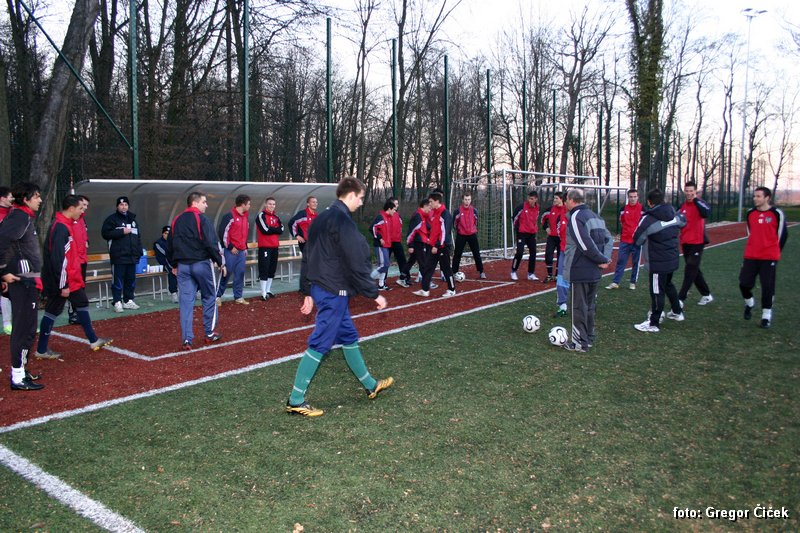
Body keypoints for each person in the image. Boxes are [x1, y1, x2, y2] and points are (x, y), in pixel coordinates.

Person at [285, 177, 394, 417]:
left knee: (348, 336)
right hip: (334, 291)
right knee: (320, 342)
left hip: (324, 289)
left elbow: (307, 256)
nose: (361, 202)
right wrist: (373, 293)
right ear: (352, 195)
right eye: (361, 197)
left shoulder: (320, 219)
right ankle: (295, 399)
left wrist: (307, 291)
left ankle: (370, 385)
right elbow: (356, 260)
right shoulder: (342, 221)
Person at [36, 195, 113, 359]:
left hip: (71, 277)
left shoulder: (65, 225)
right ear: (71, 208)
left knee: (81, 303)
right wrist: (63, 285)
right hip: (63, 280)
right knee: (52, 310)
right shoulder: (61, 228)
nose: (82, 212)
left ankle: (93, 340)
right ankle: (41, 349)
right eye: (80, 208)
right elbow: (59, 259)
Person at [167, 192, 226, 350]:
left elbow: (170, 244)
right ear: (195, 202)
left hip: (183, 266)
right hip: (200, 264)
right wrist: (220, 262)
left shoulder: (176, 220)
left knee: (186, 303)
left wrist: (174, 264)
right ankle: (209, 333)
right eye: (204, 202)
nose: (206, 205)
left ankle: (187, 339)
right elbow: (210, 242)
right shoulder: (202, 219)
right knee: (210, 296)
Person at [0, 182, 44, 390]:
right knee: (22, 329)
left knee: (28, 328)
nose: (40, 199)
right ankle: (17, 376)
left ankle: (21, 371)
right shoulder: (18, 217)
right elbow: (2, 241)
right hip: (21, 280)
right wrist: (3, 272)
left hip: (28, 278)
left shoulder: (24, 217)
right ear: (25, 199)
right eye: (36, 196)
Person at [561, 188, 612, 352]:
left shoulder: (576, 217)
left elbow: (584, 244)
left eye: (565, 200)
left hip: (581, 268)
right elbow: (608, 239)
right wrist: (604, 259)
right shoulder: (595, 216)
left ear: (570, 199)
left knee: (579, 306)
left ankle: (579, 343)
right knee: (590, 305)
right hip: (594, 270)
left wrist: (601, 259)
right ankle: (588, 338)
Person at [632, 188, 687, 333]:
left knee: (657, 291)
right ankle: (677, 312)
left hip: (657, 261)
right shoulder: (674, 214)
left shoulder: (648, 218)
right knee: (668, 285)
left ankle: (653, 323)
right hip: (672, 258)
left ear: (649, 203)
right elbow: (683, 221)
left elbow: (637, 239)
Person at [739, 187, 788, 329]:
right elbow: (751, 233)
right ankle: (749, 303)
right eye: (755, 196)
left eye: (758, 196)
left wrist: (774, 252)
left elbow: (783, 235)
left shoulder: (776, 214)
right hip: (751, 255)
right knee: (744, 284)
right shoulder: (750, 213)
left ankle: (766, 316)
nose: (755, 198)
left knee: (767, 286)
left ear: (767, 198)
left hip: (769, 257)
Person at [101, 196, 143, 313]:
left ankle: (128, 300)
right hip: (119, 256)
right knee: (118, 280)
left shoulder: (133, 220)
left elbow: (137, 237)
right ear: (117, 206)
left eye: (125, 204)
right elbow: (105, 233)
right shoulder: (112, 219)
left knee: (130, 280)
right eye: (121, 204)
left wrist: (139, 252)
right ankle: (117, 301)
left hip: (132, 256)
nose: (123, 206)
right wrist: (121, 232)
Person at [676, 181, 713, 306]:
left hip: (698, 241)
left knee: (690, 268)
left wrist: (696, 201)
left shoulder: (700, 203)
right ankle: (706, 294)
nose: (689, 193)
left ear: (695, 191)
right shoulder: (682, 206)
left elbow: (706, 212)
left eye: (691, 191)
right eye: (687, 191)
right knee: (694, 270)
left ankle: (681, 298)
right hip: (686, 241)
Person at [216, 194, 251, 305]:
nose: (250, 206)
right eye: (249, 204)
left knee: (240, 273)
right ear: (242, 204)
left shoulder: (245, 217)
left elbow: (245, 234)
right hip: (230, 251)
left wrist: (245, 247)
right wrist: (230, 247)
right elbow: (222, 233)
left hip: (241, 251)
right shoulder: (229, 216)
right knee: (226, 273)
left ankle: (238, 297)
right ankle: (217, 296)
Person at [606, 189, 643, 290]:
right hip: (625, 240)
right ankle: (615, 282)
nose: (632, 199)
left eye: (634, 197)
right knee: (621, 261)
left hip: (637, 241)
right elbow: (622, 221)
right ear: (628, 197)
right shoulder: (623, 209)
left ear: (637, 197)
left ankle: (633, 282)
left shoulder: (643, 209)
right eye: (630, 197)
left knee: (635, 262)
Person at [424, 192, 456, 297]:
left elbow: (444, 232)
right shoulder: (435, 213)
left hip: (442, 246)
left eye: (431, 202)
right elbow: (435, 230)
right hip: (434, 245)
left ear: (437, 201)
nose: (430, 204)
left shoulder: (444, 214)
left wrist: (437, 245)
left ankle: (452, 289)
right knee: (428, 266)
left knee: (446, 268)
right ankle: (425, 289)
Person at [67, 195, 91, 323]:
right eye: (82, 206)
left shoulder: (82, 220)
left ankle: (80, 312)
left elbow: (83, 236)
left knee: (81, 286)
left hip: (82, 259)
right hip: (74, 260)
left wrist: (86, 241)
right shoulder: (70, 220)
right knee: (73, 287)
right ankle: (73, 312)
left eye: (86, 206)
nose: (84, 209)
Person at [255, 196, 284, 300]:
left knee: (272, 269)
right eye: (270, 204)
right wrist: (275, 229)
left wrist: (273, 229)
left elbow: (281, 229)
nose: (272, 206)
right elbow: (265, 230)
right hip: (265, 247)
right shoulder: (261, 216)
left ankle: (268, 290)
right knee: (264, 268)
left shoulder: (276, 217)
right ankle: (263, 292)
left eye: (273, 204)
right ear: (265, 204)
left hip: (274, 247)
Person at [452, 192, 486, 279]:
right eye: (465, 200)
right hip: (461, 235)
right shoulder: (457, 211)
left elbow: (476, 222)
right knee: (457, 254)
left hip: (472, 235)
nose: (467, 201)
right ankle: (454, 272)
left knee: (476, 253)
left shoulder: (474, 211)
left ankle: (481, 271)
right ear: (462, 200)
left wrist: (472, 230)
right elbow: (454, 224)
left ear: (471, 200)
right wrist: (460, 230)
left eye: (469, 200)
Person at [511, 190, 540, 281]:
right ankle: (513, 271)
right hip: (522, 233)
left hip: (531, 233)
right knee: (519, 252)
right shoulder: (521, 207)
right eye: (530, 199)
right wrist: (517, 229)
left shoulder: (537, 208)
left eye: (533, 199)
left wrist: (534, 228)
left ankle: (530, 273)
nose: (531, 201)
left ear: (536, 199)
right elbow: (514, 218)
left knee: (533, 252)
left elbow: (535, 219)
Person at [541, 192, 567, 283]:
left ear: (561, 199)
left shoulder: (566, 210)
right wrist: (546, 228)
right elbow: (543, 219)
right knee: (548, 255)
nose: (554, 200)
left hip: (562, 238)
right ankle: (549, 275)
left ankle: (557, 275)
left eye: (556, 198)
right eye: (554, 198)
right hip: (552, 237)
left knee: (561, 256)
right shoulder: (550, 209)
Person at [407, 199, 432, 293]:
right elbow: (412, 231)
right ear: (424, 206)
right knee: (424, 263)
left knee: (415, 261)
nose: (430, 209)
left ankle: (402, 276)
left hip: (422, 242)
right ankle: (427, 283)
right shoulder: (417, 215)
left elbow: (424, 229)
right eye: (429, 207)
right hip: (417, 243)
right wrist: (410, 245)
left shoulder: (423, 216)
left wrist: (428, 238)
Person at [371, 200, 397, 291]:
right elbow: (373, 228)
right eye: (394, 209)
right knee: (383, 265)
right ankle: (368, 280)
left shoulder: (388, 218)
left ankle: (381, 285)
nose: (395, 211)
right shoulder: (380, 217)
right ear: (389, 209)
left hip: (386, 245)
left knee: (385, 265)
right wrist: (380, 238)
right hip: (380, 245)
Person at [0, 186, 14, 335]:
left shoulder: (13, 213)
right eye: (10, 196)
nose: (12, 199)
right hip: (2, 258)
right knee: (5, 289)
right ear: (2, 198)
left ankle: (17, 321)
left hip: (14, 257)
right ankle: (7, 322)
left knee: (15, 289)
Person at [387, 197, 410, 287]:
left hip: (396, 241)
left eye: (397, 204)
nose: (397, 205)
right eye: (395, 204)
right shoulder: (385, 215)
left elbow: (399, 228)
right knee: (385, 262)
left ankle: (405, 278)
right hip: (388, 242)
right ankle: (382, 281)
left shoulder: (398, 215)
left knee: (402, 260)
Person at [153, 225, 178, 303]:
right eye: (166, 233)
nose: (168, 235)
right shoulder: (158, 243)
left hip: (174, 261)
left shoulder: (174, 241)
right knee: (171, 271)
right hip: (163, 263)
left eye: (169, 233)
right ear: (163, 234)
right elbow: (165, 254)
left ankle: (196, 291)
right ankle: (174, 293)